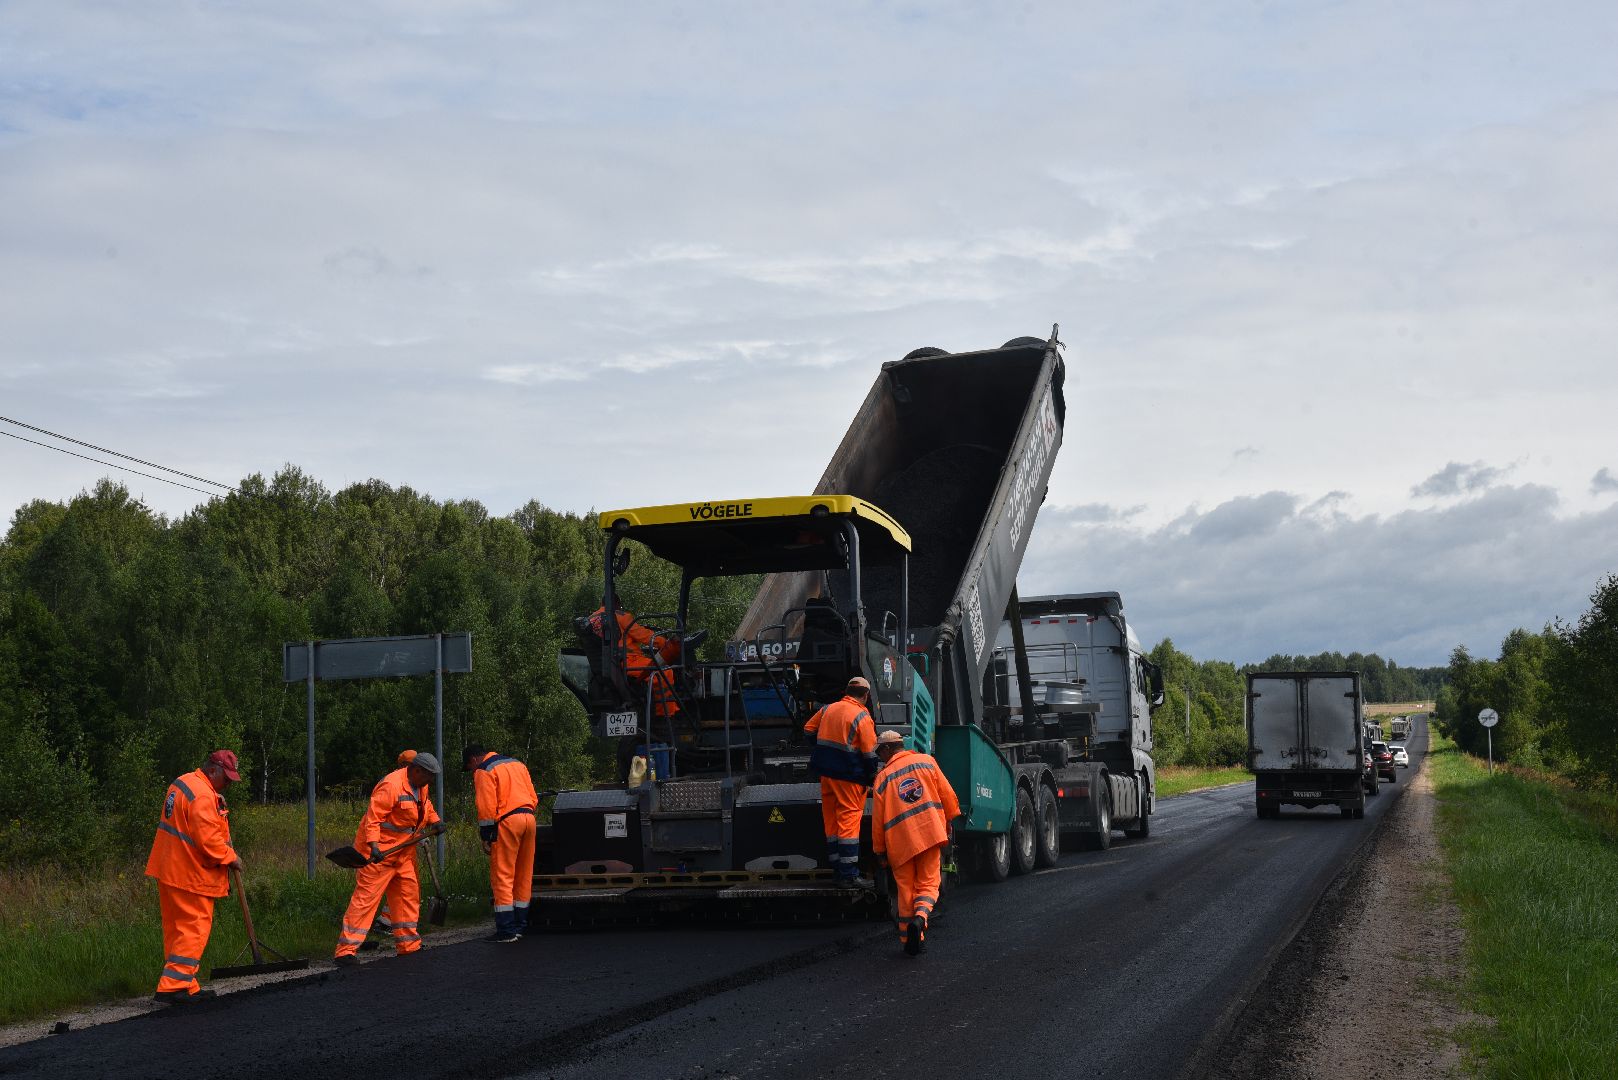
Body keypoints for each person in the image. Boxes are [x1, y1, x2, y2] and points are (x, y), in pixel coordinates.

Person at [145, 749, 243, 1003]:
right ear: (213, 770)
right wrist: (230, 857)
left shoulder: (184, 782)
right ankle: (173, 987)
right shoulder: (201, 795)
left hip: (169, 868)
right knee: (194, 929)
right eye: (227, 778)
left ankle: (185, 983)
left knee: (177, 930)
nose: (230, 784)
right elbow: (208, 842)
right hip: (190, 874)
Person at [334, 752, 442, 965]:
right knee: (365, 901)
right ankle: (345, 951)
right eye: (429, 776)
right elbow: (373, 819)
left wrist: (435, 821)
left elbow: (425, 807)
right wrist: (373, 846)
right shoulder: (391, 786)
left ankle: (408, 946)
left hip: (404, 853)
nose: (431, 781)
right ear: (416, 770)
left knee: (407, 897)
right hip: (378, 855)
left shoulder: (421, 786)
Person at [871, 729, 961, 956]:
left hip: (899, 844)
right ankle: (920, 919)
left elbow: (878, 820)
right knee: (929, 884)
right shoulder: (927, 762)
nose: (879, 756)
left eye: (880, 751)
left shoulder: (882, 778)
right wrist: (950, 818)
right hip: (929, 834)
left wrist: (879, 851)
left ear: (888, 749)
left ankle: (910, 940)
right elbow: (947, 795)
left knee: (905, 891)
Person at [803, 675, 880, 888]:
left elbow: (808, 729)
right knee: (848, 824)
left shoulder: (828, 709)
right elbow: (870, 755)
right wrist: (873, 775)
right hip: (849, 777)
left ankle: (838, 871)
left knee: (832, 822)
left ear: (847, 692)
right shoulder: (862, 717)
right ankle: (849, 876)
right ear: (865, 695)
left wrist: (821, 749)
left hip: (826, 775)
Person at [464, 745, 540, 943]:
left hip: (507, 821)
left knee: (503, 875)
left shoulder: (484, 769)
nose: (472, 771)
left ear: (473, 760)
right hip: (529, 818)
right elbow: (533, 797)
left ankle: (506, 930)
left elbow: (486, 804)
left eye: (469, 767)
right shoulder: (517, 763)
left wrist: (486, 834)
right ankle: (520, 926)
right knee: (523, 874)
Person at [586, 604, 686, 719]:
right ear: (617, 603)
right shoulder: (619, 616)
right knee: (665, 672)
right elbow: (644, 636)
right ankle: (667, 716)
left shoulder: (590, 620)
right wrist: (666, 643)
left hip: (608, 667)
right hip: (628, 662)